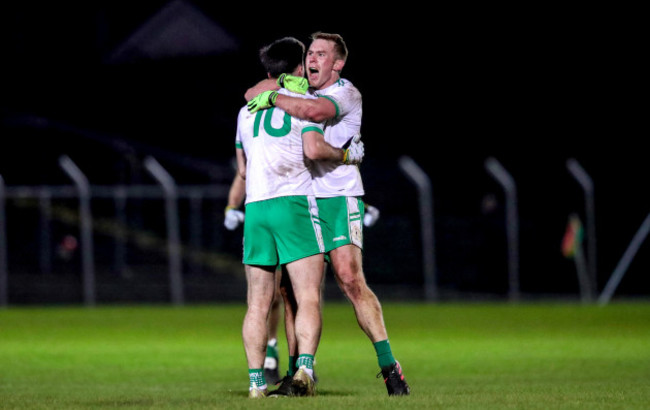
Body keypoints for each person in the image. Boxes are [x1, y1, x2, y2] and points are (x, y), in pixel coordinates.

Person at [246, 32, 410, 396]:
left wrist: (275, 95)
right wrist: (276, 88)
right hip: (301, 198)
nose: (313, 60)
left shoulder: (345, 94)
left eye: (322, 54)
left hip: (337, 197)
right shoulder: (300, 91)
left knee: (349, 278)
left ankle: (389, 366)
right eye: (310, 55)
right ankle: (298, 374)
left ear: (338, 64)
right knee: (292, 291)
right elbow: (251, 91)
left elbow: (313, 114)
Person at [235, 36, 364, 398]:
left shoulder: (246, 110)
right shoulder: (302, 103)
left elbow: (242, 168)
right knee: (307, 295)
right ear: (297, 68)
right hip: (292, 203)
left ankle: (256, 384)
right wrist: (346, 156)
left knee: (258, 304)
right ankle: (305, 368)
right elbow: (313, 148)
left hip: (256, 207)